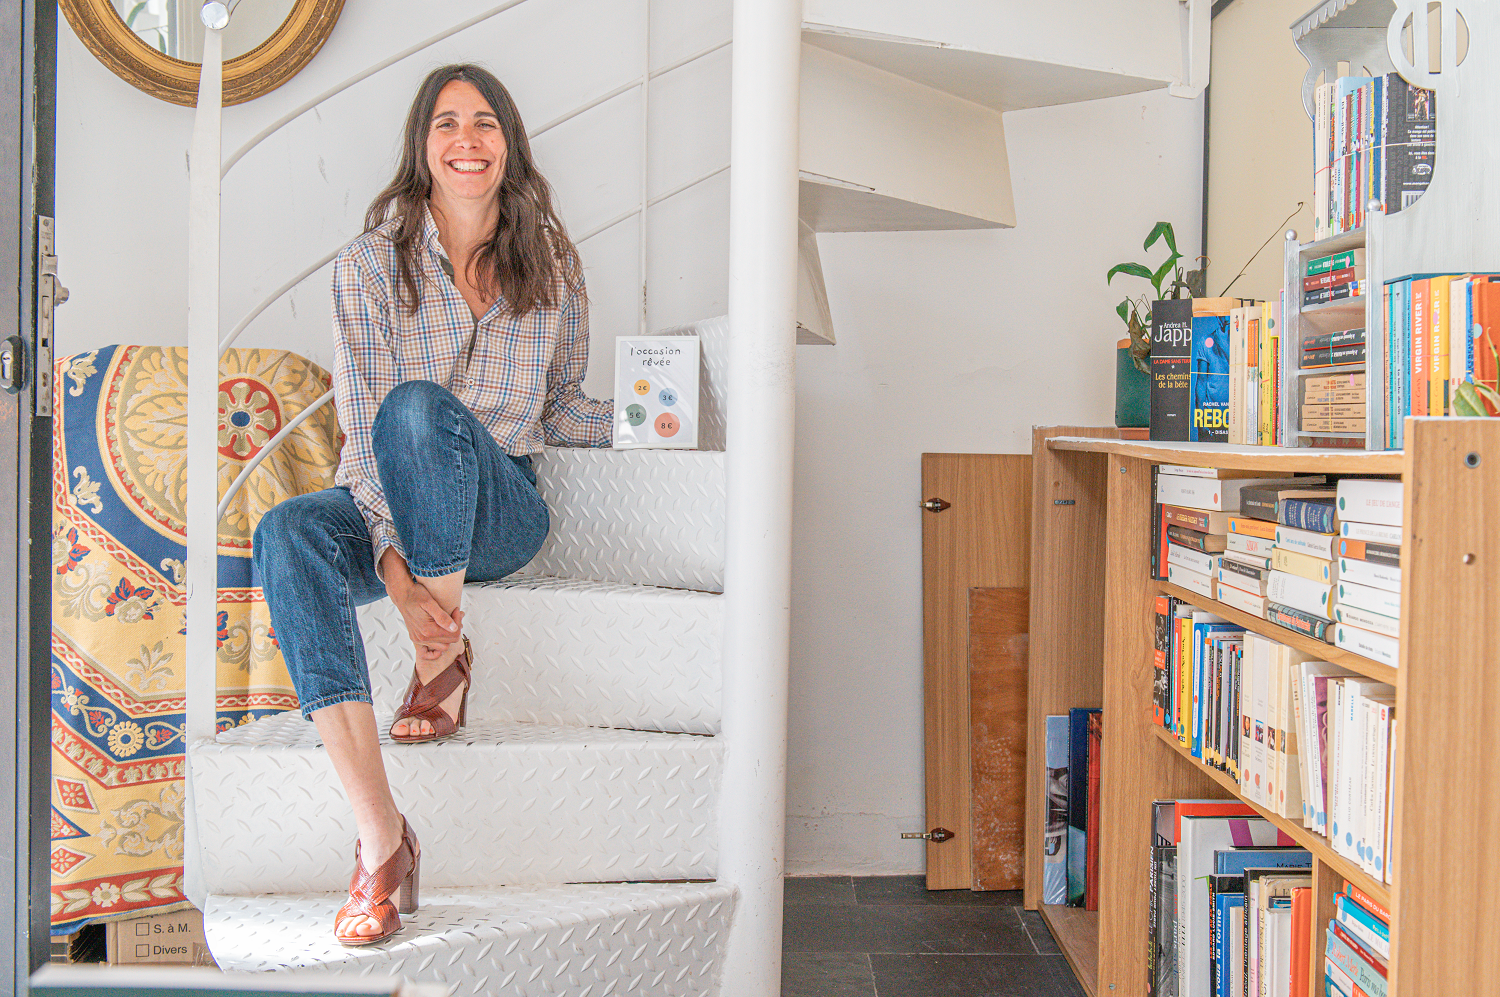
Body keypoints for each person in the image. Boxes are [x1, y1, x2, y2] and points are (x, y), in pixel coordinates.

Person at [253, 63, 612, 947]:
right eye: (447, 123)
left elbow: (562, 408)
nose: (467, 139)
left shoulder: (552, 265)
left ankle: (438, 657)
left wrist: (656, 415)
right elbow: (366, 430)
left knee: (421, 409)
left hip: (500, 513)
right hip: (394, 512)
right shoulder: (370, 266)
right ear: (423, 147)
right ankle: (382, 837)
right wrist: (397, 579)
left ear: (509, 146)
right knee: (288, 531)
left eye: (485, 123)